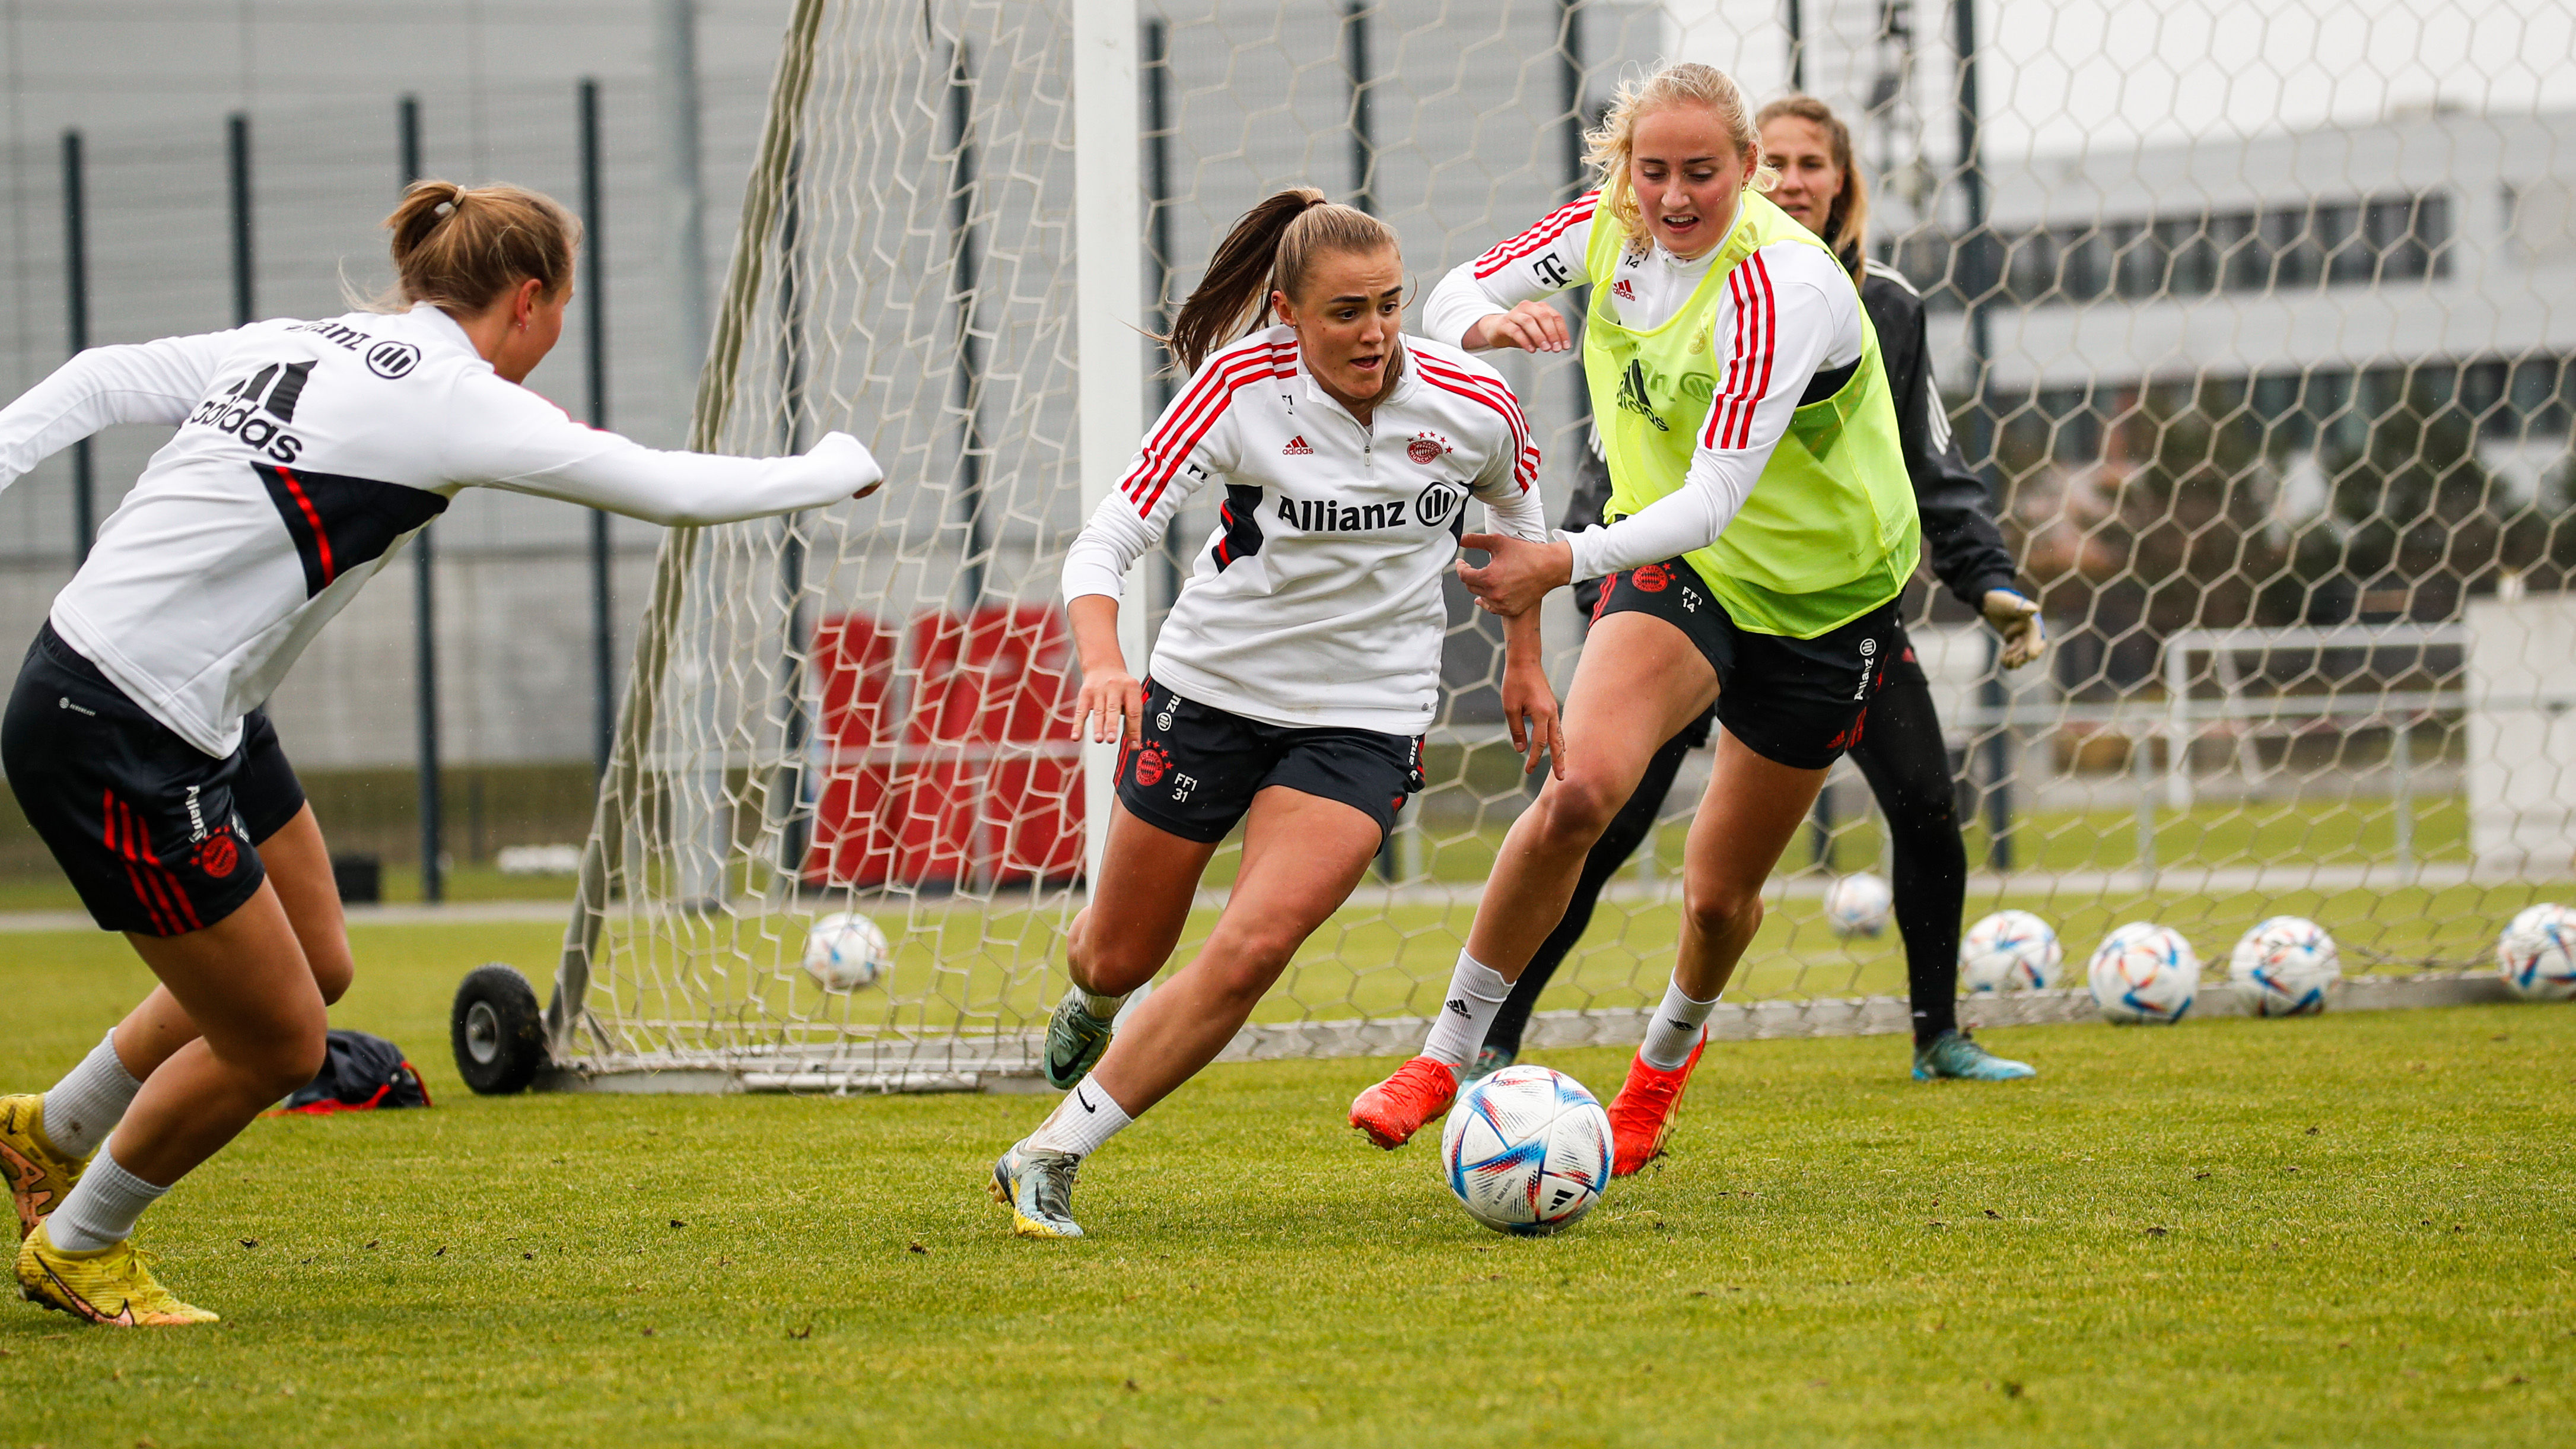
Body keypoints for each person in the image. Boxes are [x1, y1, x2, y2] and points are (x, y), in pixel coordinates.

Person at [0, 180, 885, 1326]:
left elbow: (97, 375)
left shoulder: (308, 339)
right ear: (528, 300)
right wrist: (832, 466)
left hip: (190, 701)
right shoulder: (456, 400)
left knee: (317, 957)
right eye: (560, 306)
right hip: (118, 725)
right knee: (280, 1039)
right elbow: (671, 488)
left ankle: (50, 1131)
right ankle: (82, 1242)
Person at [1347, 60, 1923, 1175]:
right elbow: (1455, 287)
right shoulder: (1607, 223)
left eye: (1700, 173)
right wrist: (1488, 326)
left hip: (1824, 600)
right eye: (1649, 170)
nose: (1670, 198)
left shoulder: (1785, 286)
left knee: (1717, 896)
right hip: (1686, 572)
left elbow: (1711, 497)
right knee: (1581, 794)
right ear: (1623, 169)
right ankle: (1443, 1054)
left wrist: (1555, 561)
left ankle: (1655, 1075)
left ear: (1748, 171)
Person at [989, 189, 1560, 1240]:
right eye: (1346, 311)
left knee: (1253, 947)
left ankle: (1048, 1154)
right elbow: (1102, 543)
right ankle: (1095, 999)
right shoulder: (1237, 386)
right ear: (1288, 312)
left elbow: (1519, 529)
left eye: (1389, 303)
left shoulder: (1473, 401)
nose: (1376, 332)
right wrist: (1106, 663)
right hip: (1209, 694)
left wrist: (1525, 662)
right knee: (1118, 954)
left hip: (1367, 715)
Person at [1463, 94, 2049, 1085]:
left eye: (1808, 161)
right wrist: (1586, 565)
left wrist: (1986, 577)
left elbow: (1924, 458)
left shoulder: (1884, 303)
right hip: (1691, 586)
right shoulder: (1659, 273)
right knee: (1592, 815)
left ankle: (1937, 1034)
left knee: (1924, 808)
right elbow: (1628, 434)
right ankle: (1489, 1037)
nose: (1788, 178)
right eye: (1771, 159)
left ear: (1840, 179)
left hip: (1832, 608)